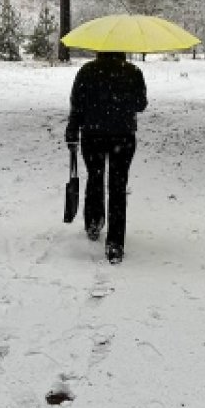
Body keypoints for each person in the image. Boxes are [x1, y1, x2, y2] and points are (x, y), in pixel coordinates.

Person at [65, 51, 148, 264]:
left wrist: (73, 130)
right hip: (123, 135)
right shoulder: (132, 71)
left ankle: (93, 222)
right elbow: (141, 104)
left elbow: (77, 104)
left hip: (93, 135)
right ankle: (115, 244)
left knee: (95, 178)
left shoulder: (87, 71)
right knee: (118, 187)